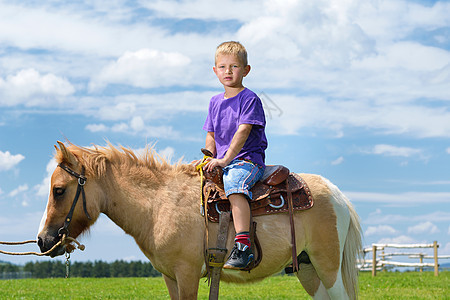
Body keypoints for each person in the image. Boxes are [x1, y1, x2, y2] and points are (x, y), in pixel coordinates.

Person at [202, 41, 267, 270]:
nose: (227, 71)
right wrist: (208, 158)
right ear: (215, 71)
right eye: (222, 66)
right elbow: (211, 134)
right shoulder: (214, 102)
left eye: (234, 66)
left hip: (247, 160)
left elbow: (243, 131)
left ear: (246, 70)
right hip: (223, 161)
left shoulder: (249, 99)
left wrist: (225, 159)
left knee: (234, 182)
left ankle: (243, 246)